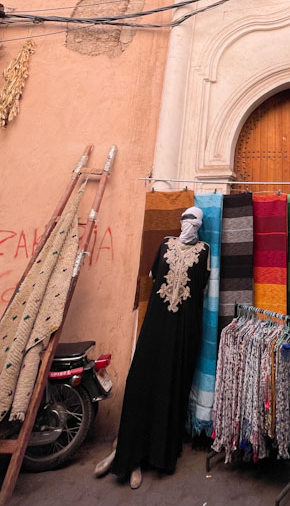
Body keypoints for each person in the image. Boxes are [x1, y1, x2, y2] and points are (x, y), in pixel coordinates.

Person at [94, 206, 209, 489]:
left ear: (201, 225)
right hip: (156, 327)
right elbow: (155, 273)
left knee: (169, 388)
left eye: (195, 221)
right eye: (186, 219)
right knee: (140, 383)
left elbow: (202, 288)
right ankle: (125, 455)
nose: (189, 225)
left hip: (183, 331)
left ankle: (154, 457)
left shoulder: (205, 252)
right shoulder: (165, 244)